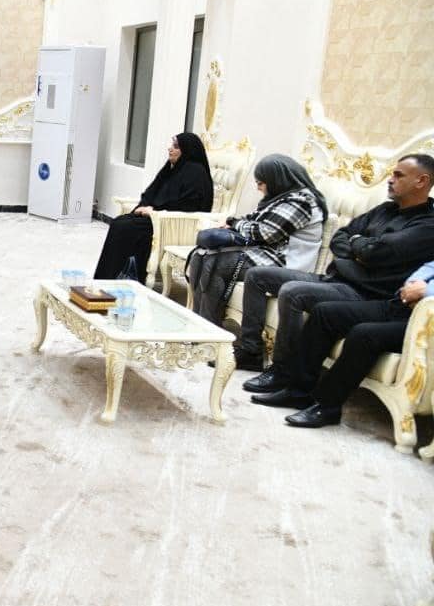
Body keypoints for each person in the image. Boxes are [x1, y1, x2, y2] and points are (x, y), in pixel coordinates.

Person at [242, 153, 434, 389]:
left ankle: (282, 371)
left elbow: (376, 253)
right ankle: (250, 351)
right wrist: (360, 246)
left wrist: (359, 244)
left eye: (398, 175)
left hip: (362, 292)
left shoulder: (427, 224)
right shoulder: (385, 209)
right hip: (334, 277)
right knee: (258, 275)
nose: (390, 179)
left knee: (293, 292)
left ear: (421, 181)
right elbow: (340, 236)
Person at [252, 261, 434, 427]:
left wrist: (425, 291)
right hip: (403, 305)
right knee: (325, 313)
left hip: (425, 324)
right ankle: (297, 392)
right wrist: (412, 286)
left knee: (363, 334)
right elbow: (429, 267)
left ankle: (328, 407)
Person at [185, 154, 326, 325]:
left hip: (285, 263)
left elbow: (267, 233)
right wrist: (234, 223)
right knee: (200, 256)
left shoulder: (302, 202)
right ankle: (199, 323)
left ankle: (209, 328)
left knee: (216, 263)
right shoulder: (281, 198)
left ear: (277, 180)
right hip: (265, 254)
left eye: (260, 183)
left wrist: (236, 224)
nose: (258, 188)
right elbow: (253, 219)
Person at [93, 132, 213, 283]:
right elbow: (151, 191)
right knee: (120, 222)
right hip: (156, 219)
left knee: (123, 227)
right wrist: (144, 206)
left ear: (187, 150)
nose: (170, 149)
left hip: (173, 225)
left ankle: (108, 280)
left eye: (176, 146)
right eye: (172, 145)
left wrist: (154, 212)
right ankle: (107, 279)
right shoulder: (172, 169)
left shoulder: (196, 173)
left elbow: (187, 206)